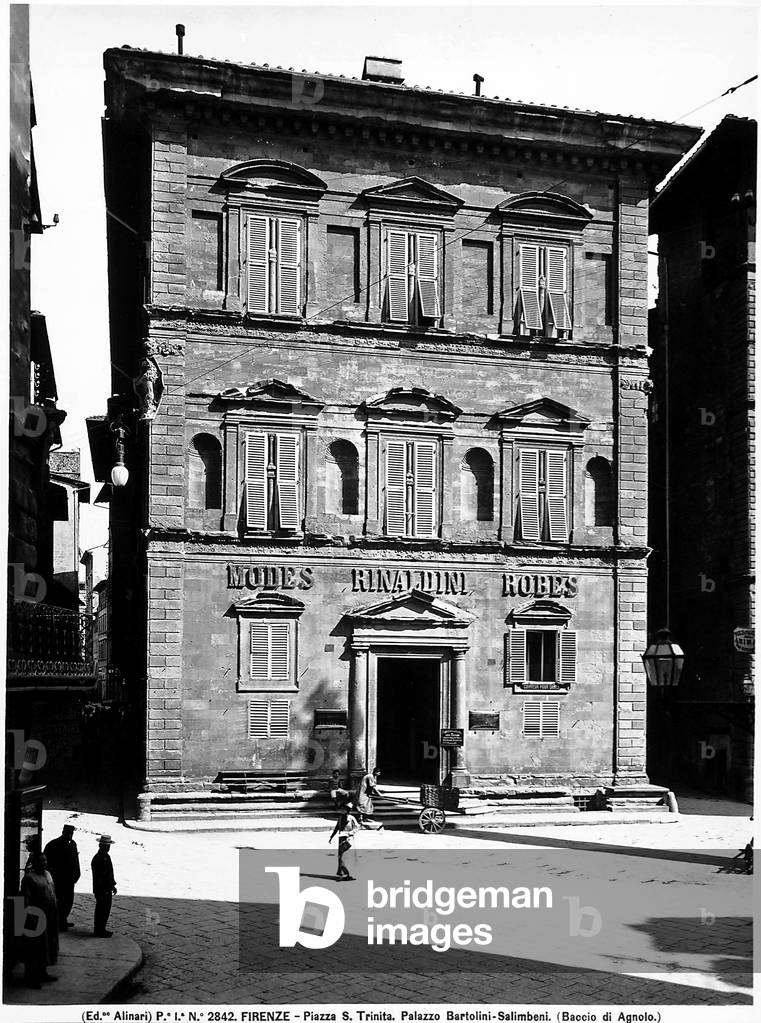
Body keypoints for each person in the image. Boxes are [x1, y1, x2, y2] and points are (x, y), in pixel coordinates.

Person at [19, 851, 59, 988]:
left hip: (49, 916)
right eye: (41, 861)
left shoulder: (48, 874)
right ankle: (30, 978)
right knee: (33, 949)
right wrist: (30, 919)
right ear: (34, 863)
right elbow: (26, 900)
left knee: (46, 946)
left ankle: (43, 973)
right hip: (36, 917)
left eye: (45, 860)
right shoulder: (29, 878)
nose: (44, 863)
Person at [43, 824, 81, 930]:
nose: (70, 835)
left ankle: (63, 919)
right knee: (58, 901)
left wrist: (77, 874)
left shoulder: (72, 844)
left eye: (71, 833)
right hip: (58, 879)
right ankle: (57, 921)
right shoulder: (53, 844)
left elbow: (75, 860)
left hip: (69, 880)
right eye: (68, 833)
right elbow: (47, 863)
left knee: (68, 901)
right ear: (63, 832)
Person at [91, 835, 117, 937]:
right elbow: (100, 876)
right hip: (102, 889)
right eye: (106, 846)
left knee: (105, 910)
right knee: (101, 910)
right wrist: (107, 887)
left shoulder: (106, 857)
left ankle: (102, 928)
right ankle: (99, 929)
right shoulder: (98, 858)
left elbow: (110, 873)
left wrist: (112, 885)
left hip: (106, 888)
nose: (108, 848)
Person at [329, 805, 359, 881]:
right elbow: (337, 827)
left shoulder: (351, 818)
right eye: (341, 809)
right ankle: (342, 874)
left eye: (344, 810)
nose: (342, 811)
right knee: (340, 857)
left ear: (347, 810)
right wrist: (332, 836)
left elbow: (357, 827)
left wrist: (350, 833)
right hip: (341, 838)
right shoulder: (340, 817)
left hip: (349, 839)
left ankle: (348, 874)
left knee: (346, 857)